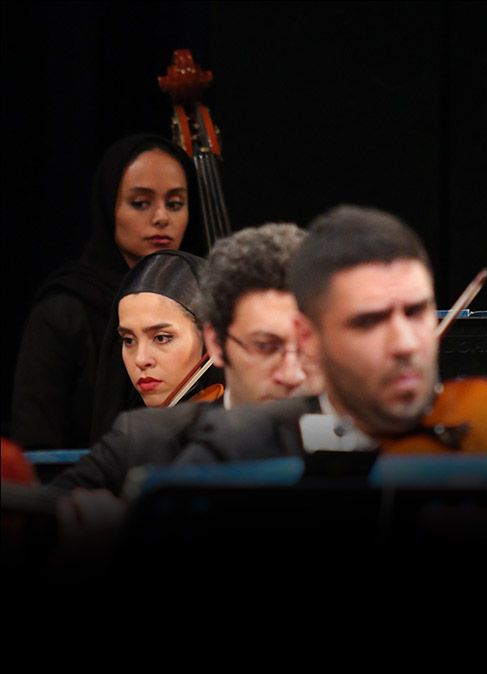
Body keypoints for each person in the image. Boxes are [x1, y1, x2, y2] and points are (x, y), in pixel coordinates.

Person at [174, 206, 487, 506]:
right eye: (369, 321)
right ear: (310, 338)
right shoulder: (225, 453)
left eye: (416, 311)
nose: (406, 343)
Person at [46, 222, 324, 501]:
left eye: (309, 347)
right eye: (265, 346)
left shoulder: (346, 433)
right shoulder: (142, 438)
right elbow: (36, 513)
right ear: (216, 342)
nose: (293, 374)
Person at [10, 133, 203, 451]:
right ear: (108, 206)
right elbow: (35, 445)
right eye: (140, 203)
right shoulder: (63, 311)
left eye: (175, 204)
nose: (161, 218)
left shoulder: (204, 292)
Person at [90, 249, 223, 440]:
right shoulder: (127, 433)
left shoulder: (240, 432)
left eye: (162, 338)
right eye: (128, 340)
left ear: (212, 338)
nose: (140, 359)